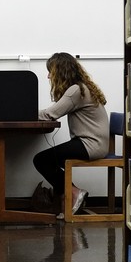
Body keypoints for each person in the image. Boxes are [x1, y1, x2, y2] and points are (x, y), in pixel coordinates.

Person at [34, 52, 110, 217]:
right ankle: (70, 194)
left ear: (60, 71)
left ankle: (73, 192)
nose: (48, 76)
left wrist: (21, 113)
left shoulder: (76, 90)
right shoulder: (81, 87)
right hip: (94, 143)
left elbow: (50, 114)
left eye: (50, 71)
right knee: (46, 159)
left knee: (41, 160)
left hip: (91, 145)